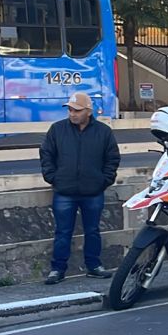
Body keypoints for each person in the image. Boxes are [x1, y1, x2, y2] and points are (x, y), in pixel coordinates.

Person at [40, 92, 120, 284]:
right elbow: (46, 154)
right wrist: (53, 178)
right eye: (69, 109)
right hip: (64, 191)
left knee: (92, 230)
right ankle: (57, 269)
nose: (72, 113)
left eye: (76, 110)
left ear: (88, 111)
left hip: (93, 192)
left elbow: (113, 158)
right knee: (62, 231)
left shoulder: (103, 132)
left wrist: (103, 180)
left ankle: (94, 266)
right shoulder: (57, 130)